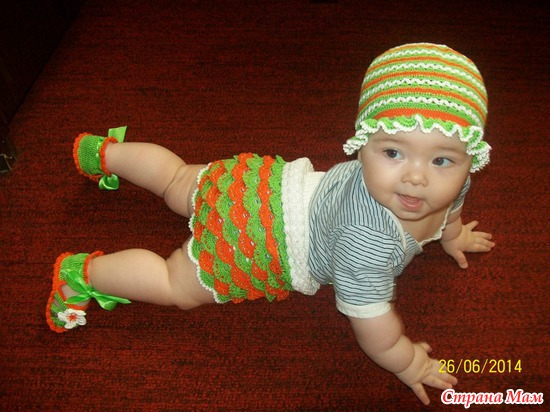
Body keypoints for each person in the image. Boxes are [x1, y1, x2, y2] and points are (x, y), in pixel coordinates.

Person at [46, 43, 495, 405]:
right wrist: (408, 362)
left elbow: (450, 210)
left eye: (441, 160)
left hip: (257, 185)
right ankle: (83, 274)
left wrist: (452, 234)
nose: (417, 178)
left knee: (178, 178)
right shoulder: (369, 243)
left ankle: (105, 153)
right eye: (393, 152)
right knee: (172, 282)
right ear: (361, 145)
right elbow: (374, 326)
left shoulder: (451, 187)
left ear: (470, 161)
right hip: (255, 243)